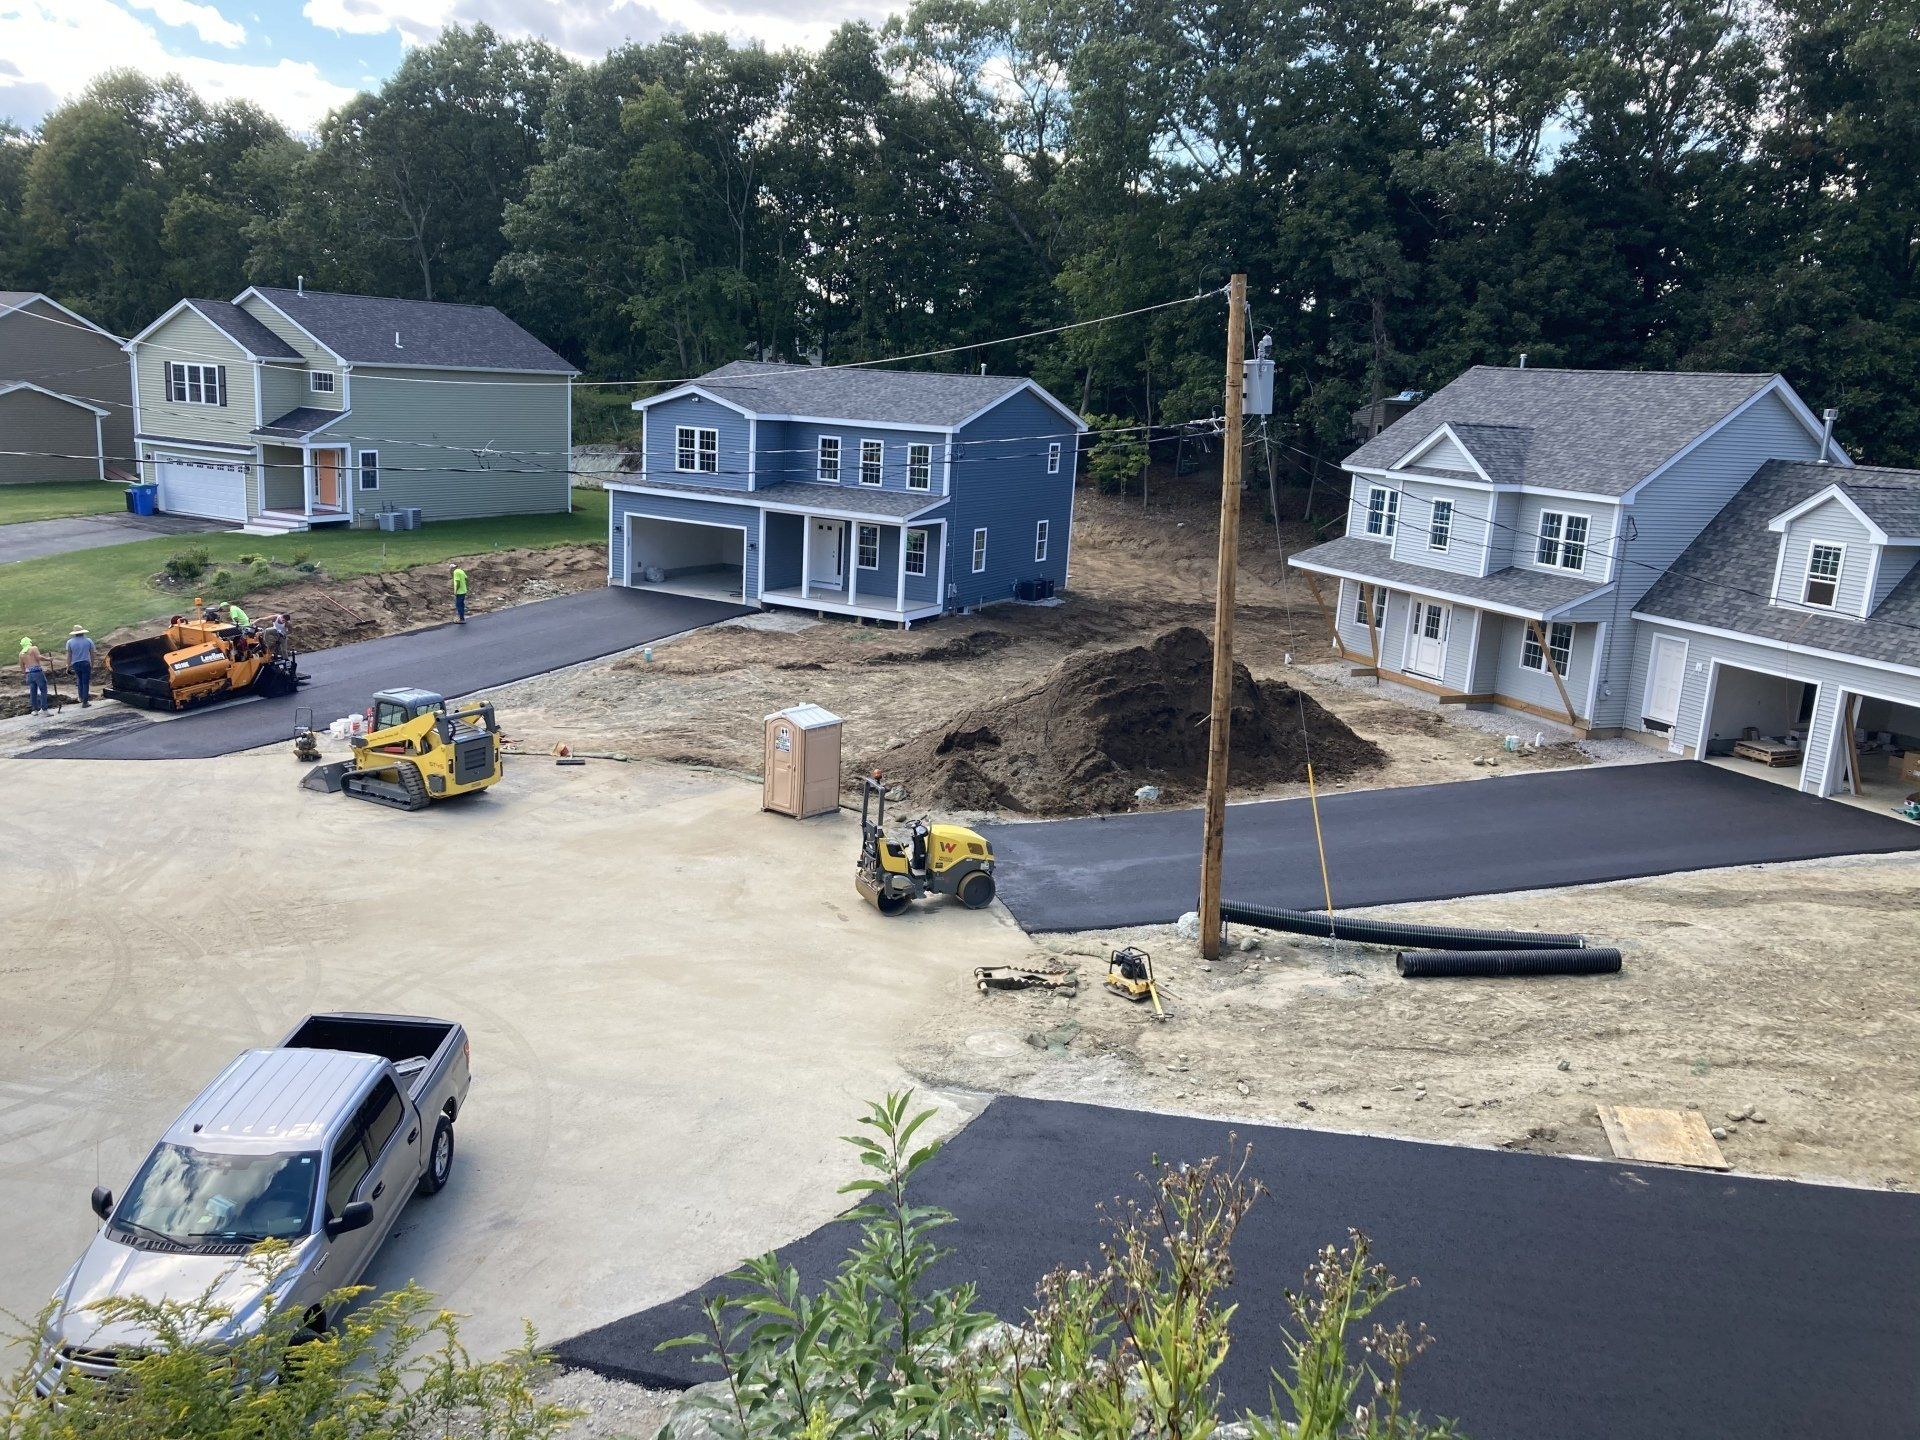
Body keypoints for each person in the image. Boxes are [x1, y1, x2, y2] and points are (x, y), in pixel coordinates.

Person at [65, 625, 95, 708]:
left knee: (79, 680)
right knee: (85, 682)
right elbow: (92, 653)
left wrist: (68, 666)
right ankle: (85, 702)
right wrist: (92, 663)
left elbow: (69, 656)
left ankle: (81, 697)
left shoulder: (70, 642)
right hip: (85, 663)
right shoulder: (88, 641)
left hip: (75, 664)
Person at [19, 637, 49, 716]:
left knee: (33, 691)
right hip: (37, 671)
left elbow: (22, 666)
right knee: (43, 689)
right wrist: (48, 659)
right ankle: (44, 709)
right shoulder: (33, 648)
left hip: (29, 673)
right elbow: (39, 657)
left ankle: (35, 710)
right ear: (29, 642)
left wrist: (25, 674)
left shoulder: (21, 653)